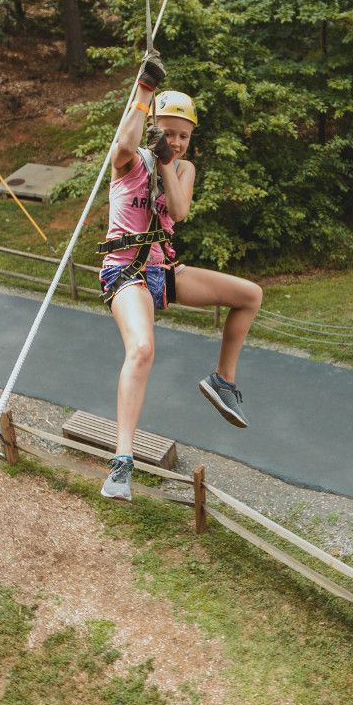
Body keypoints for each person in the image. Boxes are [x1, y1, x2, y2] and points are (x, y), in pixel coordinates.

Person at [96, 55, 263, 501]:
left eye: (184, 136)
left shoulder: (183, 167)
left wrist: (169, 160)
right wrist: (144, 94)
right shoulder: (129, 162)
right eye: (169, 133)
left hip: (161, 271)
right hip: (124, 270)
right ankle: (122, 461)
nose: (177, 141)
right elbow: (124, 146)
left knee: (249, 295)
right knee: (143, 348)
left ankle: (222, 381)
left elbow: (180, 209)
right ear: (153, 129)